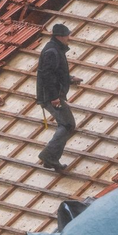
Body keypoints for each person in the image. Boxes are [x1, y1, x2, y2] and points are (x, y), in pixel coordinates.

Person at [36, 24, 83, 172]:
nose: (69, 38)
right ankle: (49, 156)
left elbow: (56, 72)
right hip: (50, 96)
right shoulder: (52, 51)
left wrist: (69, 78)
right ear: (60, 36)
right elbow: (47, 76)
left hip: (51, 95)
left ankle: (50, 159)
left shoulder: (55, 49)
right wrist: (54, 97)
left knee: (67, 124)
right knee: (67, 125)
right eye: (67, 35)